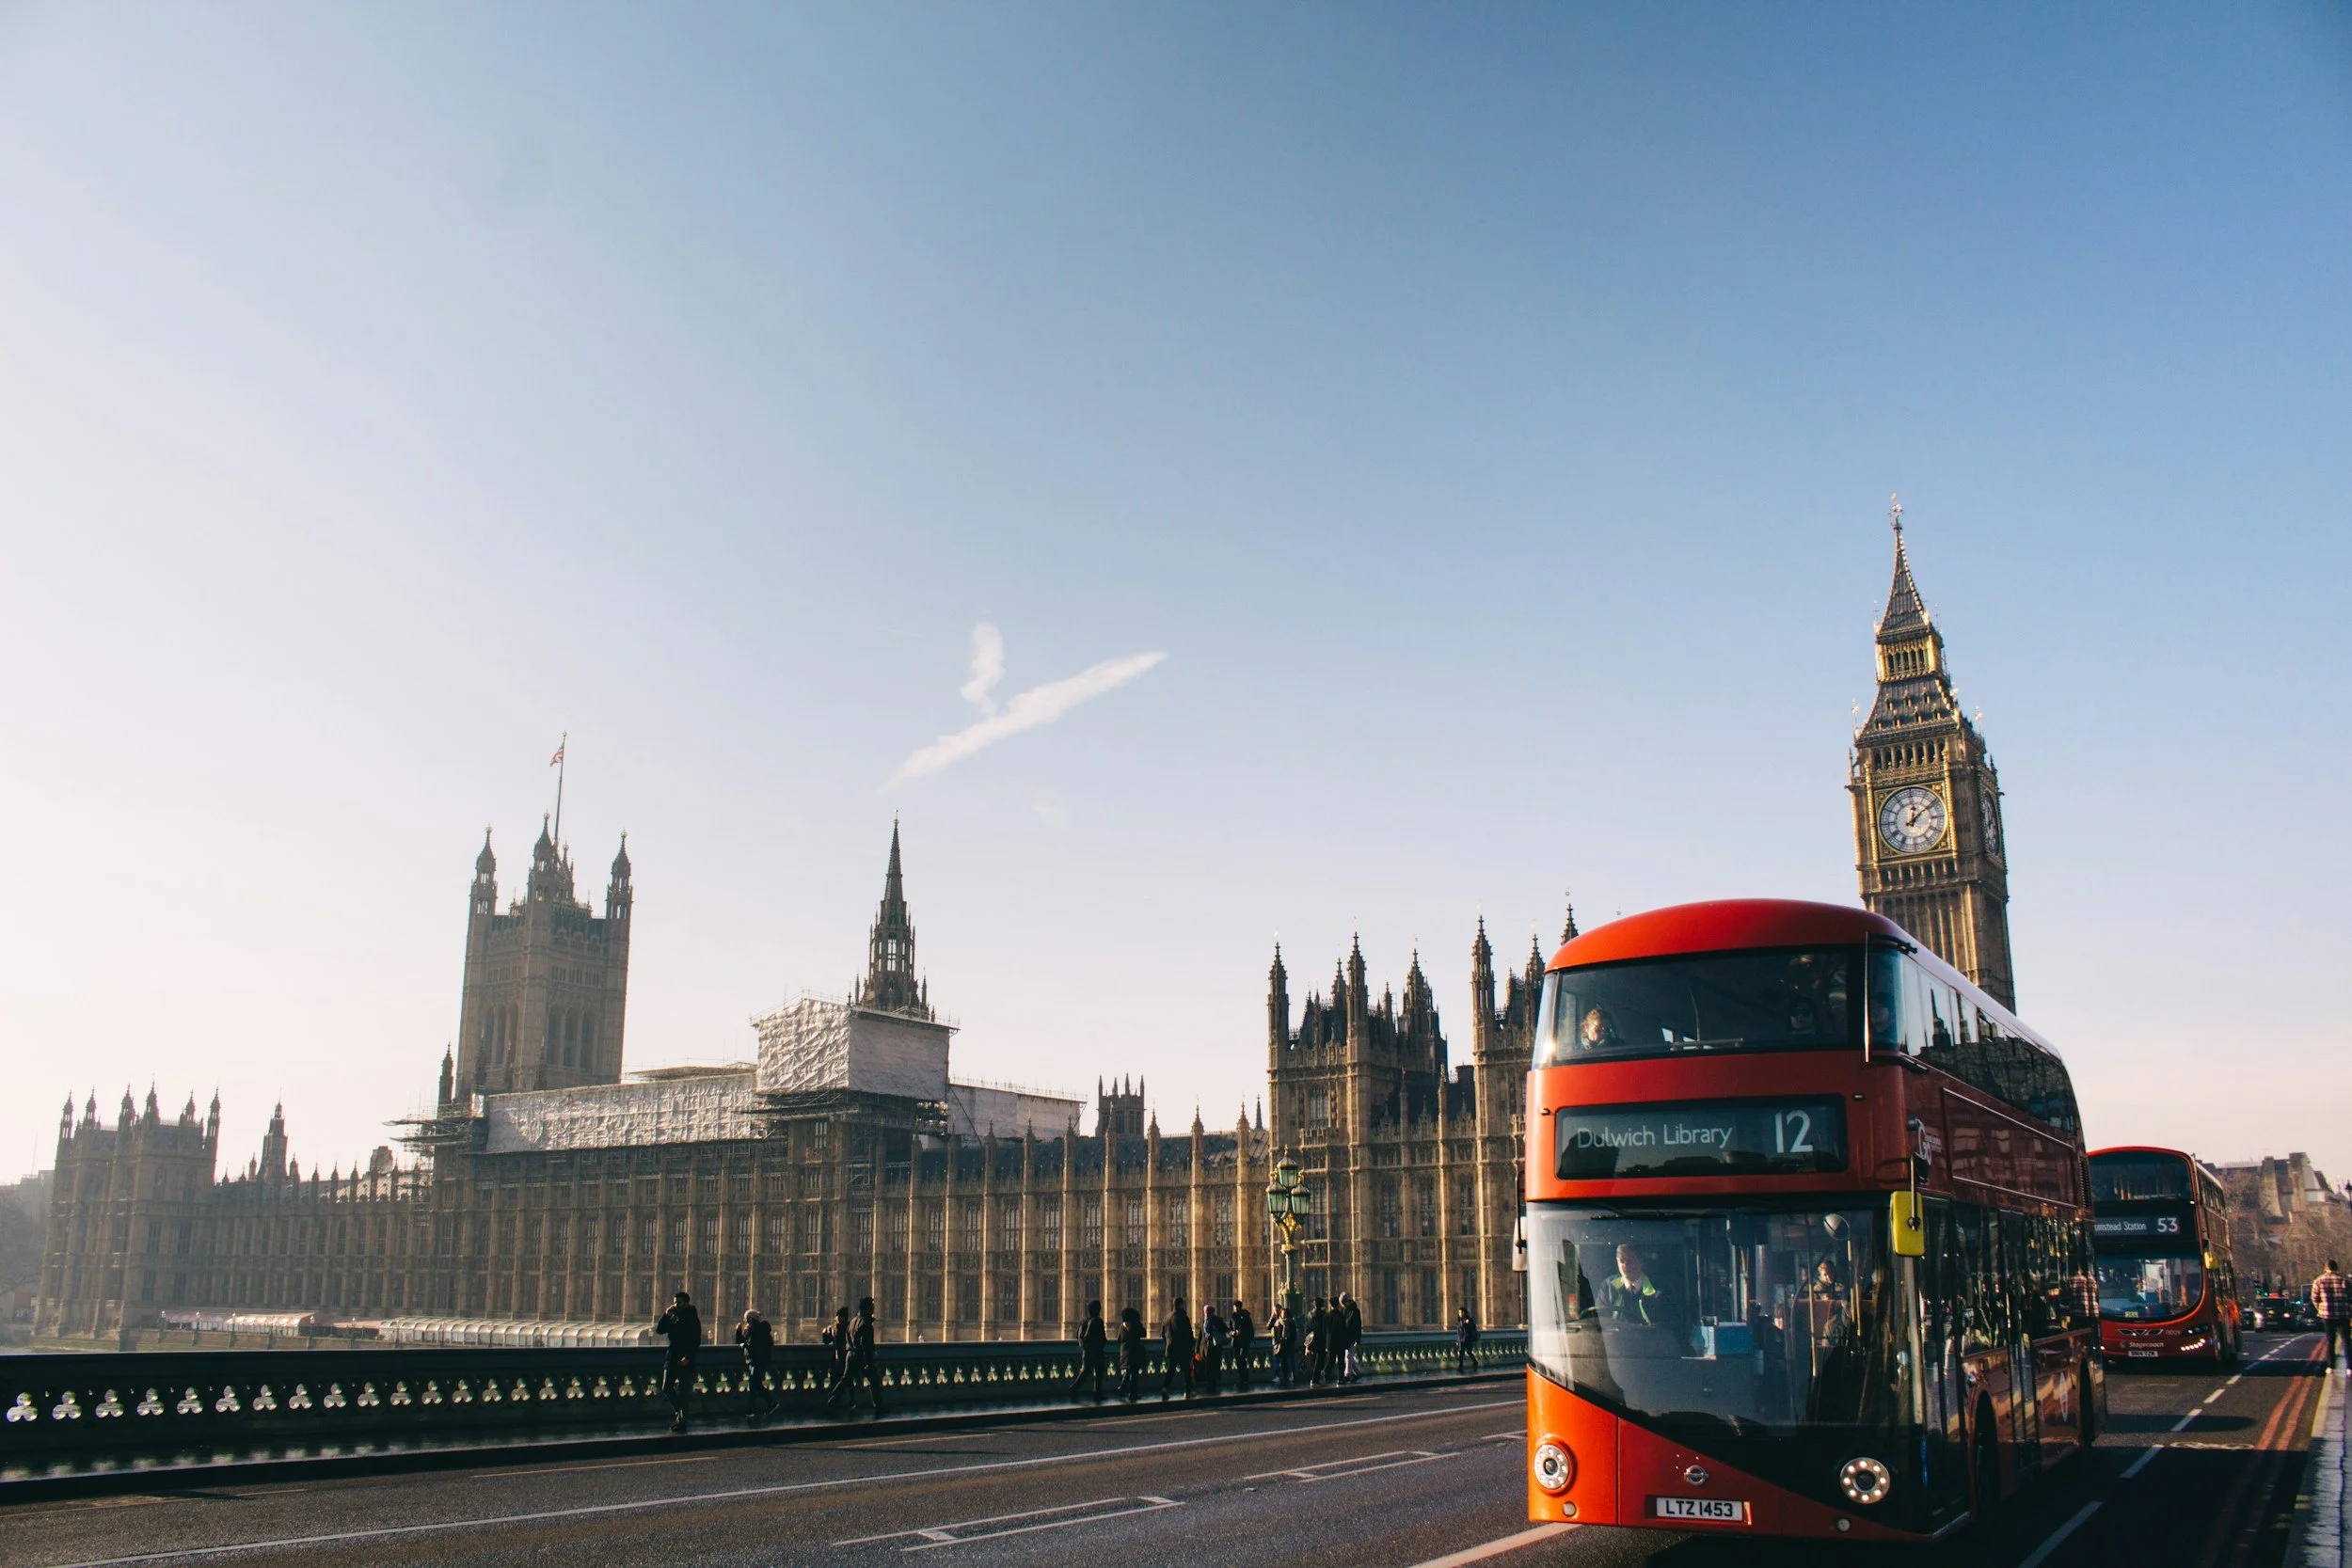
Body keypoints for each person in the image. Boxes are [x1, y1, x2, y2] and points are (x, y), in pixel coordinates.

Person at [824, 1296, 884, 1417]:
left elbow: (847, 1339)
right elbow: (866, 1344)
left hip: (850, 1355)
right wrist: (867, 1361)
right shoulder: (866, 1323)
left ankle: (831, 1402)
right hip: (860, 1356)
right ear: (867, 1309)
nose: (873, 1309)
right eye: (872, 1307)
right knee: (874, 1379)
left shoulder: (852, 1321)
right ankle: (879, 1406)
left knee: (844, 1380)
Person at [654, 1290, 703, 1433]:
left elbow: (695, 1341)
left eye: (679, 1303)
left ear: (686, 1303)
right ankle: (679, 1414)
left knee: (684, 1393)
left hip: (685, 1360)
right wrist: (666, 1315)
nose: (676, 1305)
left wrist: (688, 1357)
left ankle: (682, 1421)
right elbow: (659, 1330)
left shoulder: (693, 1318)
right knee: (666, 1387)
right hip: (672, 1357)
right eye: (675, 1302)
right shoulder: (673, 1315)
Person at [1602, 1245, 1661, 1325]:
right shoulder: (1608, 1286)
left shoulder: (1659, 1289)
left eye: (1630, 1261)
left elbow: (1663, 1328)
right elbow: (1600, 1320)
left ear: (1641, 1262)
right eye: (1622, 1261)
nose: (1625, 1266)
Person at [735, 1307, 776, 1421]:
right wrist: (738, 1332)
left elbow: (751, 1345)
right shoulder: (758, 1330)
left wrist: (745, 1344)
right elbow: (742, 1341)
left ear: (751, 1320)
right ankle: (770, 1404)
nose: (745, 1322)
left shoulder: (756, 1330)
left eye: (746, 1320)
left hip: (756, 1361)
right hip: (756, 1361)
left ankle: (752, 1410)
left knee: (754, 1386)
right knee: (756, 1386)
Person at [1072, 1299, 1109, 1399]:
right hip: (1097, 1351)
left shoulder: (1084, 1321)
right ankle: (1097, 1392)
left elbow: (1078, 1336)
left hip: (1086, 1351)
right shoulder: (1098, 1321)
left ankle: (1074, 1388)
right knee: (1099, 1372)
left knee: (1085, 1372)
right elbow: (1103, 1338)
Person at [2316, 1260, 2350, 1370]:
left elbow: (2314, 1297)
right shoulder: (2345, 1280)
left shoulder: (2319, 1280)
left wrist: (2321, 1308)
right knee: (2346, 1340)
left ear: (2326, 1268)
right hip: (2343, 1314)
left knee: (2331, 1339)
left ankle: (2331, 1365)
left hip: (2327, 1314)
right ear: (2336, 1268)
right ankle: (2350, 1367)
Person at [1162, 1297, 1197, 1402]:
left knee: (1170, 1371)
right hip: (1182, 1349)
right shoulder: (1183, 1316)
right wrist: (1191, 1347)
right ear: (1181, 1304)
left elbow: (1163, 1335)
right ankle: (1188, 1392)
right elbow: (1188, 1334)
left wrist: (1168, 1344)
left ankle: (1165, 1388)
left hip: (1170, 1349)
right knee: (1187, 1371)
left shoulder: (1166, 1317)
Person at [1117, 1307, 1148, 1402]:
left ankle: (1122, 1388)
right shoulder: (1135, 1325)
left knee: (1129, 1371)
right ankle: (1132, 1393)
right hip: (1134, 1352)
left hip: (1124, 1352)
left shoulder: (1122, 1327)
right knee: (1134, 1374)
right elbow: (1143, 1333)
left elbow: (1119, 1339)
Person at [1199, 1305, 1229, 1394]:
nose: (1206, 1314)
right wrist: (1197, 1349)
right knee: (1207, 1366)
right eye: (1205, 1312)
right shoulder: (1203, 1321)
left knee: (1215, 1366)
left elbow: (1225, 1329)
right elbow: (1201, 1335)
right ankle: (1209, 1384)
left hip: (1215, 1346)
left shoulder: (1217, 1320)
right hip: (1205, 1347)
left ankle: (1213, 1384)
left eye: (1208, 1312)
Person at [822, 1306, 851, 1390]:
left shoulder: (845, 1328)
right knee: (838, 1382)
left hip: (842, 1358)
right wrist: (825, 1332)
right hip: (838, 1359)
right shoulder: (834, 1329)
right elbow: (826, 1341)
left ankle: (834, 1399)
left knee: (843, 1382)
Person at [1230, 1300, 1257, 1389]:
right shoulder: (1233, 1317)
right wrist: (1232, 1333)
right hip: (1236, 1341)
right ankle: (1241, 1378)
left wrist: (1241, 1333)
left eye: (1237, 1307)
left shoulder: (1246, 1316)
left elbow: (1250, 1330)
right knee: (1238, 1360)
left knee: (1242, 1359)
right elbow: (1230, 1329)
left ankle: (1244, 1378)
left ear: (1240, 1307)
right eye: (1234, 1307)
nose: (1235, 1308)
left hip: (1244, 1341)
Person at [1340, 1293, 1364, 1383]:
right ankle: (1357, 1372)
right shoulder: (1344, 1310)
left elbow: (1358, 1326)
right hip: (1345, 1337)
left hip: (1351, 1337)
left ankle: (1347, 1374)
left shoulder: (1354, 1311)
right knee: (1349, 1356)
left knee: (1348, 1356)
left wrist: (1358, 1339)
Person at [1454, 1307, 1479, 1373]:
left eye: (1461, 1312)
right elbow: (1459, 1331)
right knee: (1461, 1353)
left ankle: (1475, 1362)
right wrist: (1458, 1340)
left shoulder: (1469, 1319)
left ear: (1464, 1313)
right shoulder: (1460, 1320)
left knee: (1469, 1352)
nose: (1460, 1313)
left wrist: (1467, 1323)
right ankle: (1460, 1367)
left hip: (1468, 1339)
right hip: (1461, 1339)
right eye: (1459, 1312)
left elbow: (1472, 1328)